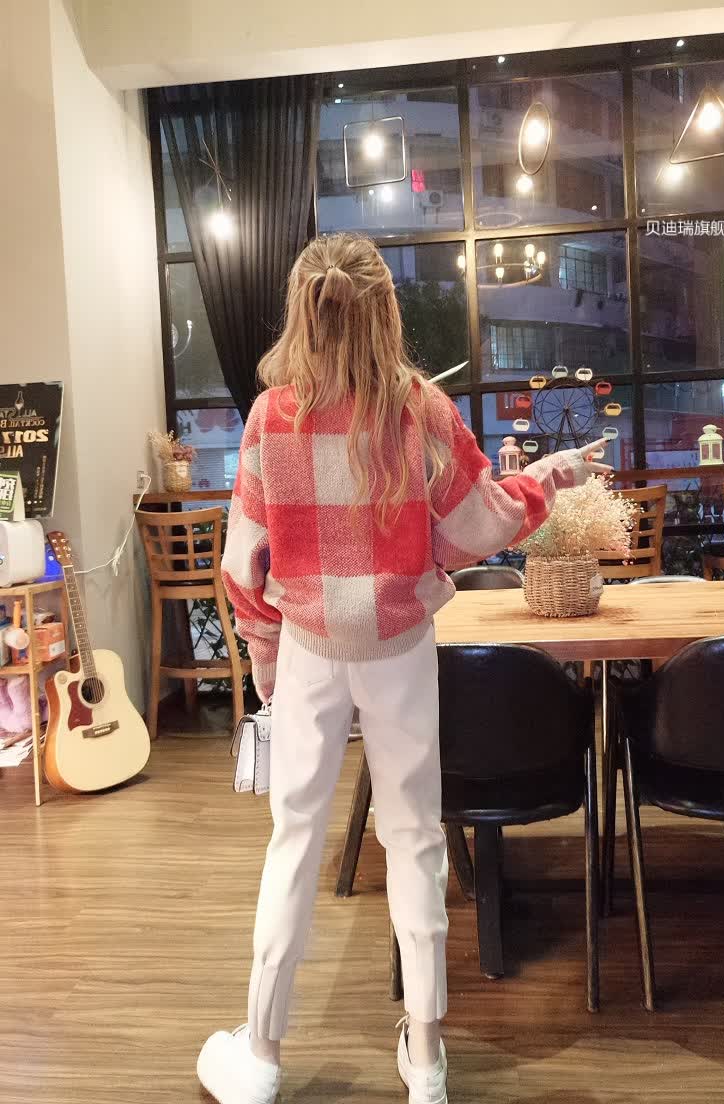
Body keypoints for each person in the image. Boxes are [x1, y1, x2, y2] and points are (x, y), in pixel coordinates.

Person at [197, 233, 610, 1104]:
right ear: (386, 310)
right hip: (399, 649)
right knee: (415, 837)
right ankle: (425, 1057)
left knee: (294, 838)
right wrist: (554, 475)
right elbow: (478, 526)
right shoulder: (420, 409)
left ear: (303, 310)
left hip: (309, 651)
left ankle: (261, 1053)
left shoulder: (271, 416)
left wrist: (266, 660)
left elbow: (243, 566)